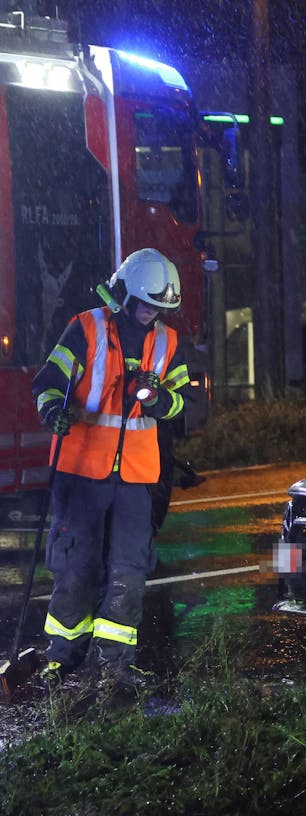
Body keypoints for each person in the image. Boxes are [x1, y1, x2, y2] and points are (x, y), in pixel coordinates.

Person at [32, 248, 194, 695]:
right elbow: (47, 382)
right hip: (81, 472)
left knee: (128, 570)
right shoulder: (86, 328)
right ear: (123, 294)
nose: (150, 315)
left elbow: (185, 403)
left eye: (158, 309)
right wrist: (53, 413)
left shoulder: (168, 342)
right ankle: (62, 659)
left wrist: (162, 401)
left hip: (136, 479)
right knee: (76, 567)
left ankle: (114, 664)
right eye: (145, 305)